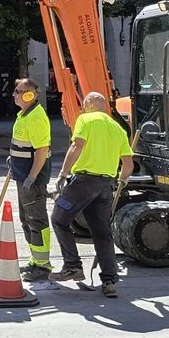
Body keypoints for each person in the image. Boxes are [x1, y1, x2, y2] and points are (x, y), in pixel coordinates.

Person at [50, 92, 134, 299]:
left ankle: (72, 266)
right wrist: (122, 180)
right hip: (106, 184)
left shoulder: (85, 119)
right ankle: (110, 282)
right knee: (102, 233)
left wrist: (63, 174)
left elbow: (76, 146)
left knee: (59, 219)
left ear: (88, 104)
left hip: (83, 182)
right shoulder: (117, 128)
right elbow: (128, 164)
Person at [8, 78, 53, 281]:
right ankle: (36, 259)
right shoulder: (25, 114)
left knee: (36, 220)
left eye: (18, 91)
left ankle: (42, 265)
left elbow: (41, 150)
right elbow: (25, 145)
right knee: (27, 219)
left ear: (29, 95)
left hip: (31, 180)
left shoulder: (36, 117)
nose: (14, 94)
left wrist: (32, 177)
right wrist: (13, 158)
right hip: (23, 177)